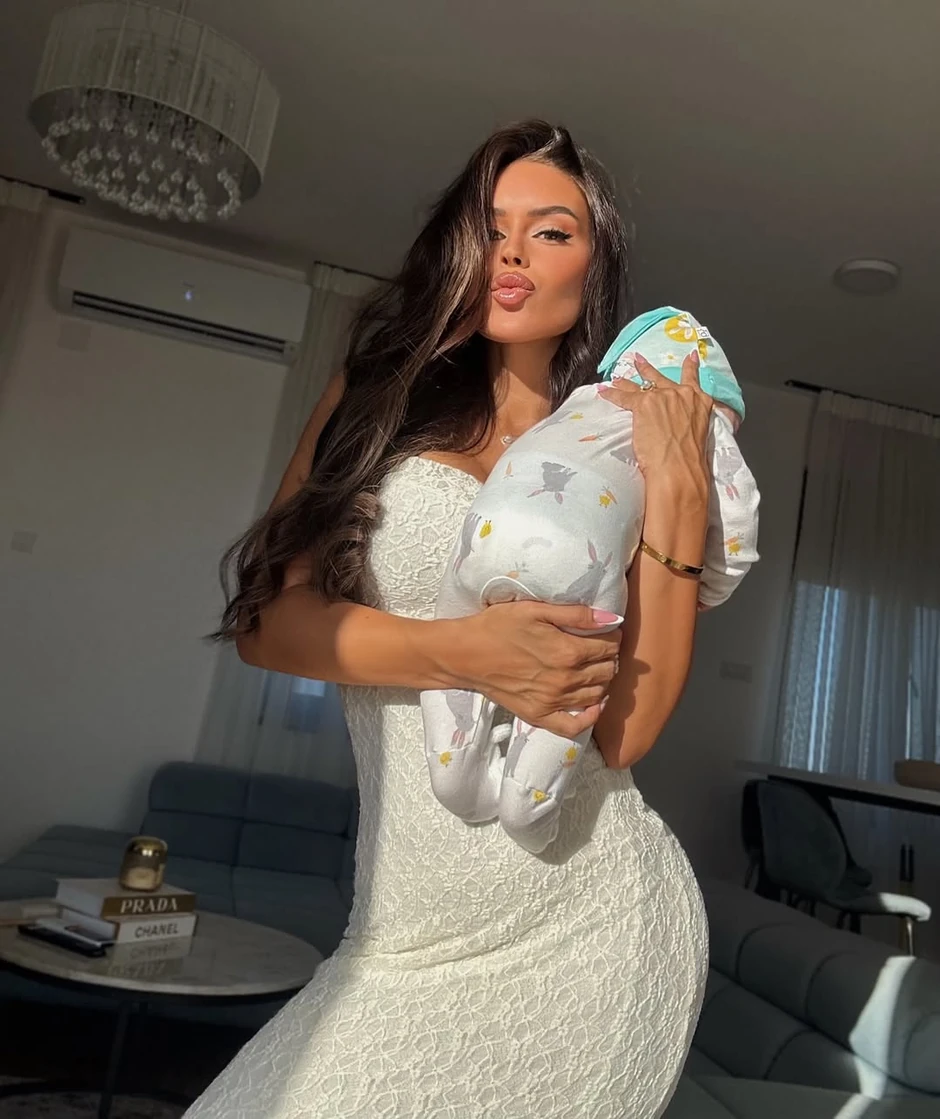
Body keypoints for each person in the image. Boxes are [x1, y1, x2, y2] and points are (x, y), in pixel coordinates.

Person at [187, 120, 714, 1119]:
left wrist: (680, 492)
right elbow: (268, 624)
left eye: (550, 231)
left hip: (591, 930)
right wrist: (461, 652)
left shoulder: (616, 445)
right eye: (490, 225)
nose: (513, 252)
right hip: (399, 939)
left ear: (594, 266)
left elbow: (623, 734)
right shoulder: (375, 398)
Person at [420, 306, 760, 854]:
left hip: (483, 537)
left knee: (451, 659)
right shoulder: (700, 423)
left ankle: (453, 778)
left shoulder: (582, 399)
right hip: (573, 559)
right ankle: (527, 810)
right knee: (573, 672)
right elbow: (739, 528)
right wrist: (710, 588)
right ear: (713, 402)